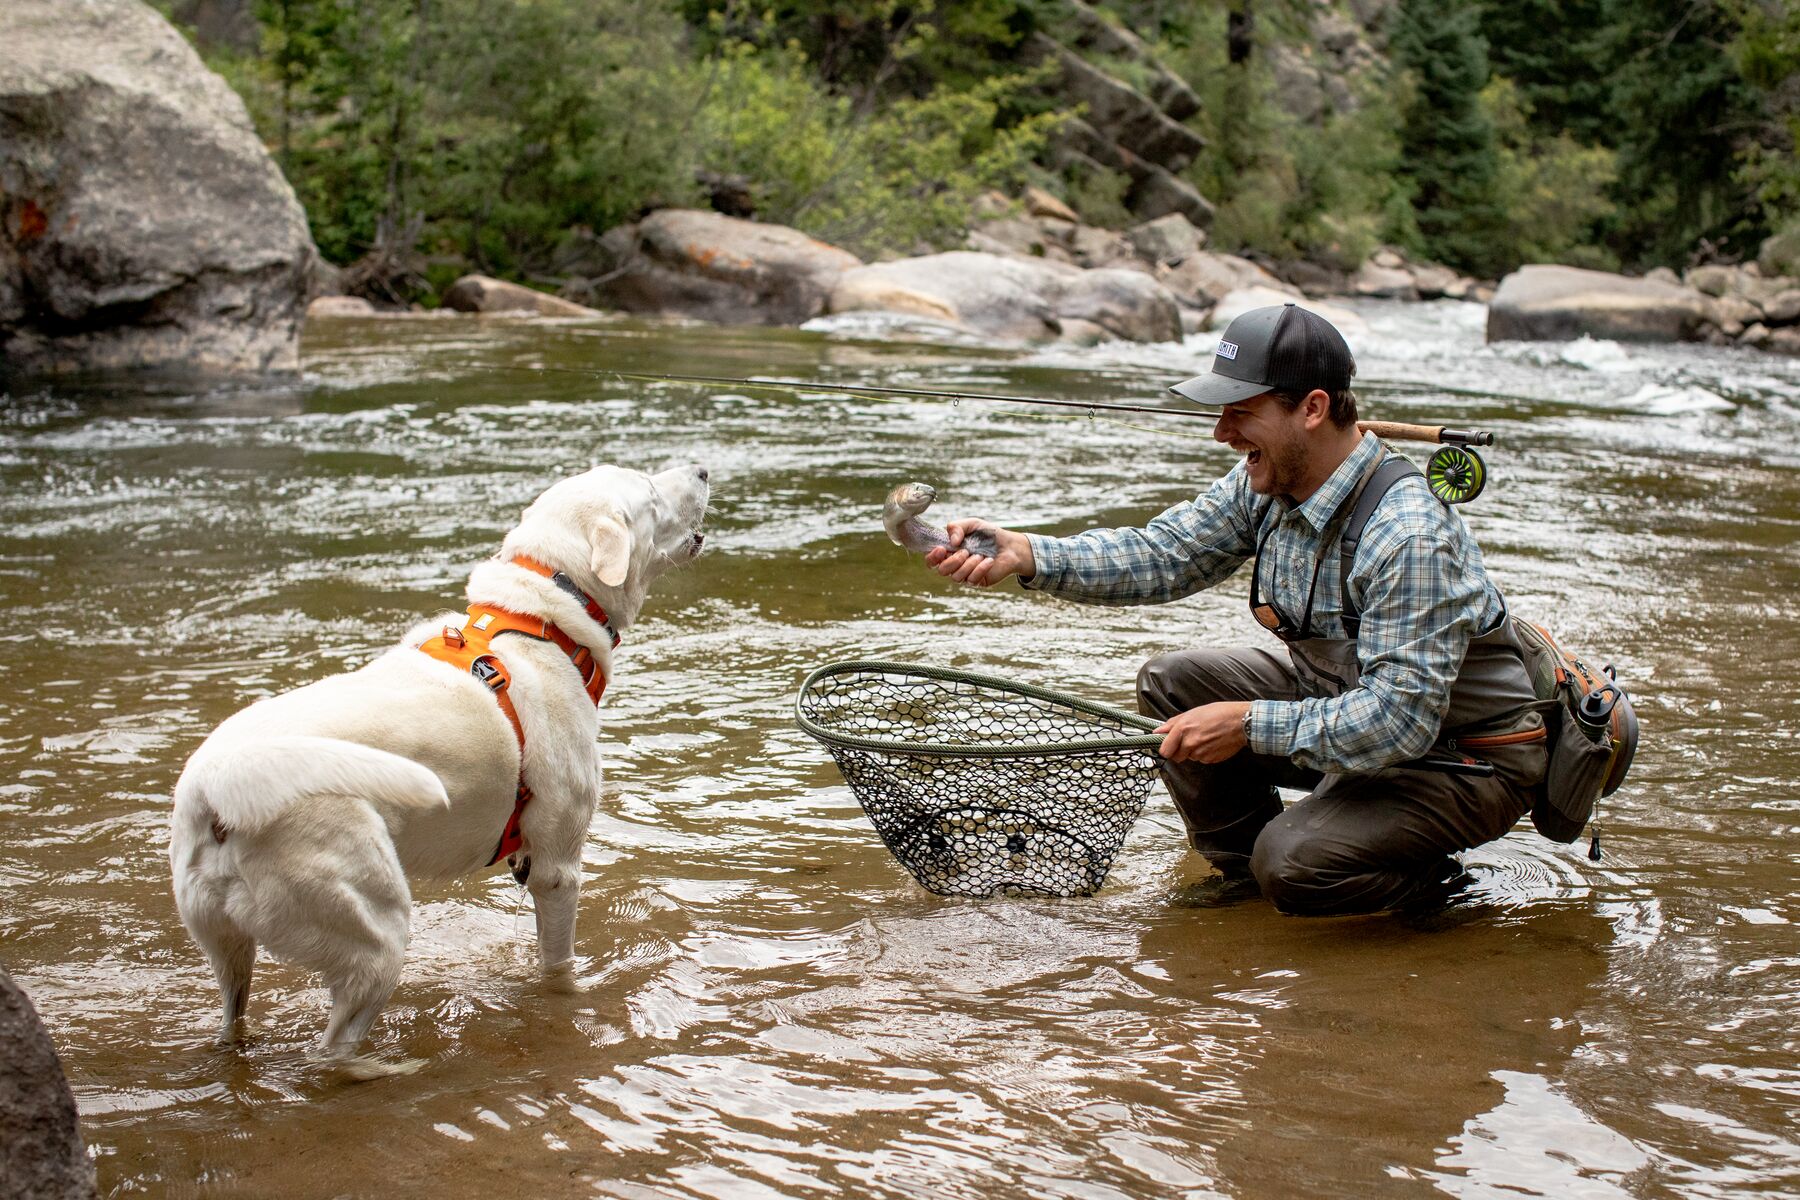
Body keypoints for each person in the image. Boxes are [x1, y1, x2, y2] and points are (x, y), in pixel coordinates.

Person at [925, 302, 1546, 916]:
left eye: (1240, 412)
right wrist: (1026, 553)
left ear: (1313, 408)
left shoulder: (1408, 534)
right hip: (1355, 707)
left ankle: (1436, 892)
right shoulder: (1269, 479)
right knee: (1177, 683)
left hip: (1466, 756)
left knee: (1295, 863)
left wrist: (1248, 724)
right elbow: (1164, 554)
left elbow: (1397, 722)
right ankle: (1245, 881)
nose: (1221, 432)